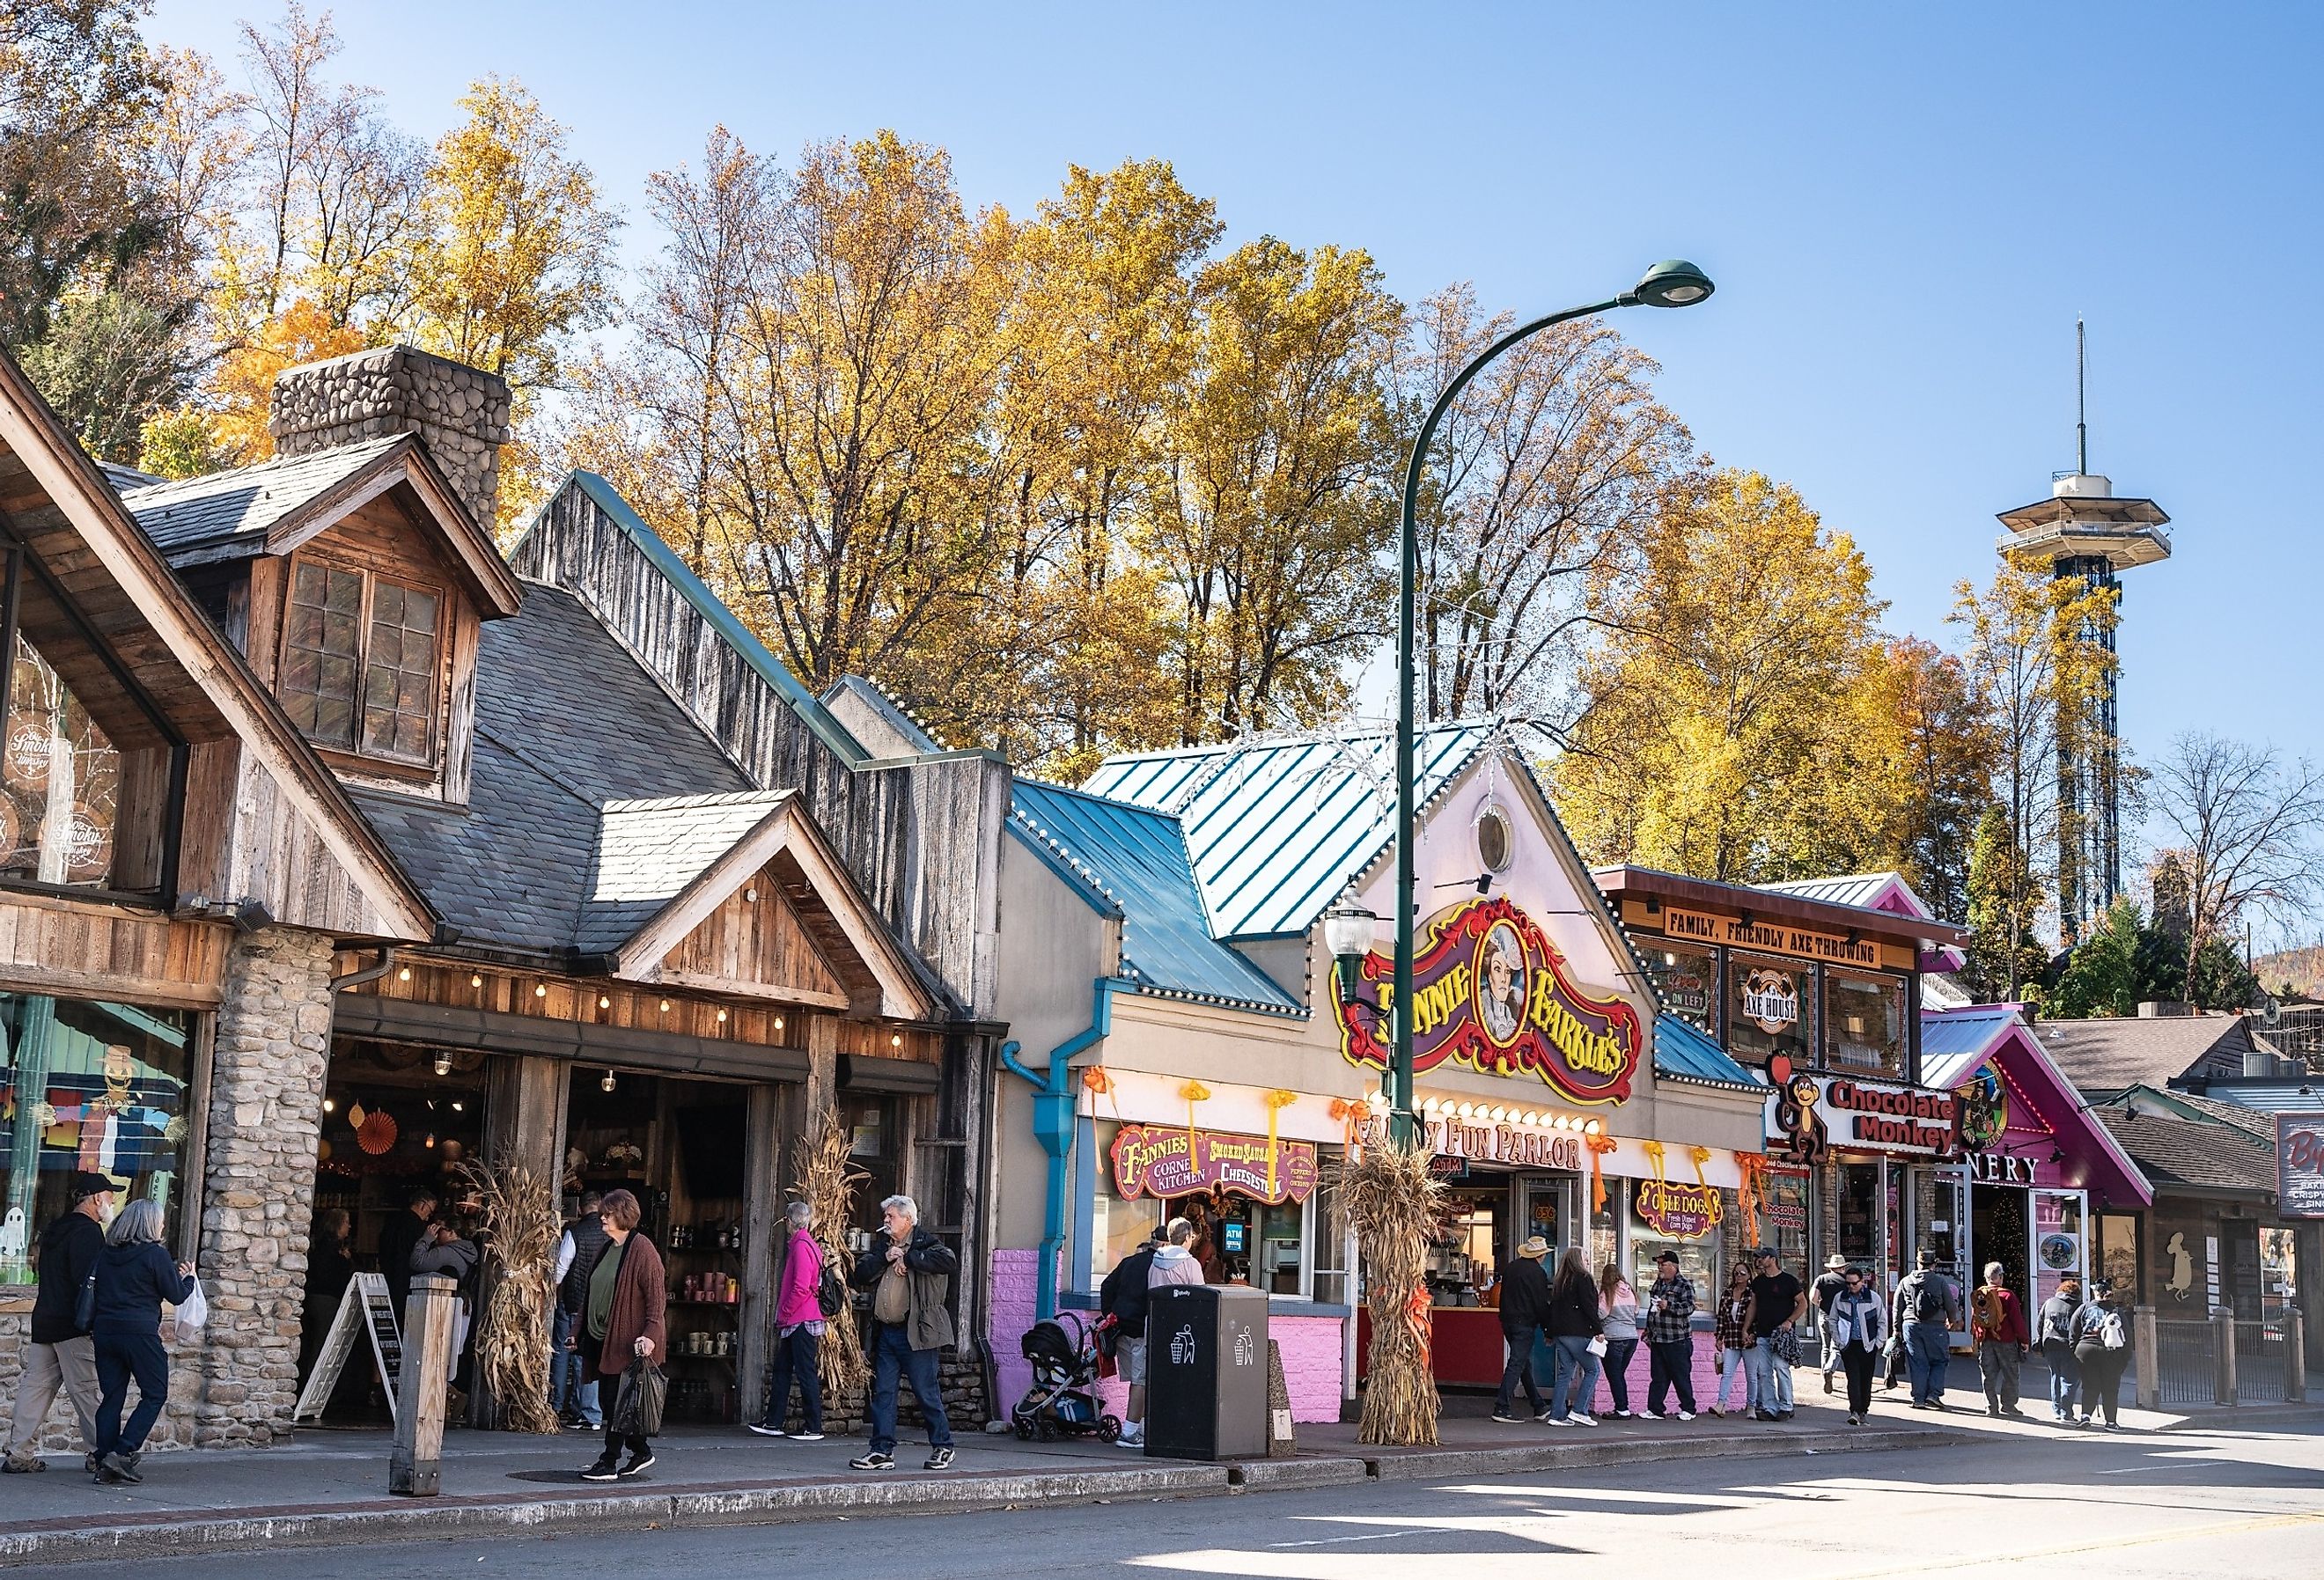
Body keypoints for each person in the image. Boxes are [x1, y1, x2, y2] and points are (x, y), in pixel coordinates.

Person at [3, 1172, 113, 1473]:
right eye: (109, 1196)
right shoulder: (89, 1233)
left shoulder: (54, 1228)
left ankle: (18, 1453)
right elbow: (88, 1282)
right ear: (95, 1198)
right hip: (73, 1325)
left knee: (34, 1389)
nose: (111, 1202)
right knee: (87, 1392)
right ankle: (101, 1454)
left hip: (45, 1319)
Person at [849, 1194, 959, 1473]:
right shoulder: (884, 1246)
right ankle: (881, 1451)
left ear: (908, 1220)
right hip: (887, 1333)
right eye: (885, 1216)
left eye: (891, 1217)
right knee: (883, 1393)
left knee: (925, 1392)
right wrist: (886, 1258)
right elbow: (860, 1274)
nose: (886, 1221)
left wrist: (910, 1259)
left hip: (917, 1333)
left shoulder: (926, 1243)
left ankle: (943, 1446)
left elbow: (948, 1262)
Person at [87, 1199, 194, 1484]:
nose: (162, 1225)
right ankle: (122, 1453)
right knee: (155, 1392)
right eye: (159, 1220)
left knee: (112, 1397)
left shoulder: (107, 1253)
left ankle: (105, 1460)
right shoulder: (154, 1255)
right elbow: (176, 1296)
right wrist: (189, 1280)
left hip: (106, 1332)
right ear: (148, 1224)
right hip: (139, 1333)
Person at [579, 1188, 666, 1481]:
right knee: (610, 1402)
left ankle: (608, 1461)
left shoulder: (642, 1249)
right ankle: (641, 1451)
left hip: (629, 1342)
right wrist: (576, 1331)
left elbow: (657, 1299)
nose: (603, 1217)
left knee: (616, 1403)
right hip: (603, 1337)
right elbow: (591, 1291)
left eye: (609, 1213)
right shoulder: (607, 1248)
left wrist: (650, 1335)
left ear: (624, 1215)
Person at [749, 1202, 827, 1440]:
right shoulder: (808, 1244)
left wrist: (784, 1312)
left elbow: (801, 1286)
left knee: (804, 1371)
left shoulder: (801, 1246)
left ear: (788, 1221)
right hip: (801, 1317)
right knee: (783, 1369)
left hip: (800, 1318)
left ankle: (813, 1426)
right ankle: (773, 1421)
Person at [1098, 1226, 1164, 1446]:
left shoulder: (1130, 1262)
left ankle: (1144, 1430)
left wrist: (1110, 1314)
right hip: (1141, 1331)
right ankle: (1129, 1433)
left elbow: (1107, 1285)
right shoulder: (1161, 1267)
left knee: (1138, 1382)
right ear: (1165, 1245)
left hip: (1120, 1330)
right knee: (1142, 1382)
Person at [551, 1192, 607, 1430]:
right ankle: (590, 1414)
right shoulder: (610, 1234)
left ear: (582, 1209)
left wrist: (551, 1292)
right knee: (588, 1358)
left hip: (574, 1302)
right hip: (600, 1305)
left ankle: (555, 1406)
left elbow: (560, 1268)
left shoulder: (575, 1233)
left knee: (562, 1354)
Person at [1491, 1237, 1552, 1422]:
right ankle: (1502, 1407)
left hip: (1508, 1321)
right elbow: (1540, 1303)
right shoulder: (1538, 1273)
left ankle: (1538, 1405)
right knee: (1517, 1363)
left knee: (1522, 1363)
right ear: (1540, 1255)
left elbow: (1501, 1294)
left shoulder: (1511, 1268)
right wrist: (1547, 1328)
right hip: (1524, 1322)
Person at [1894, 1248, 1962, 1411]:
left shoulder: (1905, 1281)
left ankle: (1918, 1399)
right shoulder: (1939, 1282)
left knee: (1918, 1363)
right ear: (1934, 1264)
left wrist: (1896, 1329)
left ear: (1918, 1263)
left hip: (1910, 1325)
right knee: (1939, 1360)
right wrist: (1952, 1321)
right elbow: (1950, 1305)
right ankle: (1933, 1394)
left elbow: (1897, 1307)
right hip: (1935, 1326)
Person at [1542, 1247, 1604, 1427]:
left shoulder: (1560, 1280)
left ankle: (1557, 1414)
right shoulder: (1583, 1278)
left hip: (1560, 1333)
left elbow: (1552, 1308)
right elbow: (1589, 1307)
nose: (1588, 1261)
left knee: (1565, 1373)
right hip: (1578, 1331)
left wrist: (1549, 1333)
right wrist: (1598, 1329)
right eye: (1585, 1258)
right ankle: (1579, 1410)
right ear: (1578, 1260)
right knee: (1593, 1370)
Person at [1744, 1247, 1805, 1422]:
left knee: (1781, 1368)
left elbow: (1802, 1303)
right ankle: (1770, 1407)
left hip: (1781, 1333)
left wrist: (1790, 1321)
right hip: (1763, 1331)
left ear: (1773, 1259)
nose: (1760, 1261)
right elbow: (1753, 1306)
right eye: (1759, 1258)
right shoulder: (1759, 1282)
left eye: (1763, 1258)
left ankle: (1786, 1406)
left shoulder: (1788, 1281)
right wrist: (1746, 1329)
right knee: (1764, 1371)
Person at [2069, 1277, 2132, 1430]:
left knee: (2089, 1386)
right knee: (2110, 1388)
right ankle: (2110, 1422)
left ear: (2095, 1292)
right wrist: (2124, 1358)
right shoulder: (2117, 1312)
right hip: (2110, 1352)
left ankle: (2085, 1416)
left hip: (2085, 1350)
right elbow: (2127, 1337)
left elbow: (2073, 1331)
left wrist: (2075, 1351)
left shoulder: (2083, 1308)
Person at [1642, 1250, 1697, 1420]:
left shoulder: (1684, 1284)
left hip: (1677, 1339)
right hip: (1658, 1337)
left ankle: (1688, 1409)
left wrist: (1669, 1305)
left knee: (1680, 1376)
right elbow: (1653, 1309)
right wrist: (1648, 1330)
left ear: (1673, 1266)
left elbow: (1690, 1308)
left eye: (1663, 1264)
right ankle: (1655, 1409)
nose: (1659, 1267)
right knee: (1658, 1376)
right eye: (1658, 1264)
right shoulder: (1658, 1284)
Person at [1829, 1265, 1887, 1425]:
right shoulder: (1840, 1298)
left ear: (1862, 1282)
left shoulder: (1873, 1298)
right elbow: (1832, 1320)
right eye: (1848, 1283)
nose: (1851, 1287)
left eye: (1854, 1283)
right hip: (1849, 1344)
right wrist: (1838, 1341)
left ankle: (1863, 1411)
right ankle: (1854, 1410)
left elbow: (1882, 1321)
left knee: (1866, 1379)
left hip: (1868, 1345)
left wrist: (1878, 1342)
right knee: (1853, 1378)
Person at [1971, 1261, 2029, 1417]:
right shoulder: (2008, 1295)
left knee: (1988, 1375)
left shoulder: (1980, 1294)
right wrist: (2024, 1340)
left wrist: (1977, 1338)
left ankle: (1991, 1406)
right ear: (2001, 1277)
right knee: (2010, 1373)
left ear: (1986, 1277)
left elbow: (1975, 1318)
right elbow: (2017, 1320)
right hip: (2006, 1340)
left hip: (1986, 1341)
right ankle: (2008, 1405)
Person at [300, 1207, 353, 1378]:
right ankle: (316, 1379)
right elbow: (328, 1275)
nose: (349, 1226)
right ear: (337, 1225)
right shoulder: (330, 1249)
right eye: (346, 1222)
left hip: (320, 1296)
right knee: (324, 1340)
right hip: (326, 1298)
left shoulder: (324, 1245)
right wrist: (344, 1261)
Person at [378, 1183, 436, 1321]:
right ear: (423, 1205)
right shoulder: (420, 1229)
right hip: (408, 1285)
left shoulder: (391, 1220)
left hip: (386, 1280)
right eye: (430, 1211)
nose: (428, 1217)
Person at [1709, 1262, 1754, 1418]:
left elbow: (1756, 1317)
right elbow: (1722, 1317)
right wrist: (1719, 1337)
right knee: (1727, 1372)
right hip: (1732, 1338)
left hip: (1748, 1340)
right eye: (1736, 1273)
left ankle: (1751, 1407)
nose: (1738, 1276)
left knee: (1751, 1375)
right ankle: (1721, 1404)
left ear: (1749, 1275)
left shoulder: (1752, 1293)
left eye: (1742, 1273)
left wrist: (1752, 1334)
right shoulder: (1727, 1293)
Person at [2037, 1275, 2085, 1423]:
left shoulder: (2049, 1303)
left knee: (2055, 1377)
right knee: (2069, 1380)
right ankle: (2066, 1413)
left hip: (2050, 1345)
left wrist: (2041, 1341)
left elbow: (2040, 1324)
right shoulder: (2079, 1306)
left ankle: (2057, 1410)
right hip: (2069, 1347)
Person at [1598, 1263, 1642, 1419]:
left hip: (1614, 1338)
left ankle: (1622, 1410)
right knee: (1619, 1375)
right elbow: (1636, 1311)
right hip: (1631, 1338)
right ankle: (1622, 1407)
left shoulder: (1607, 1293)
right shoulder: (1630, 1291)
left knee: (1615, 1376)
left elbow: (1601, 1314)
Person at [1812, 1253, 1850, 1396]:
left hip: (1823, 1315)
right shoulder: (1846, 1281)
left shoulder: (1821, 1279)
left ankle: (1824, 1376)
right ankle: (1830, 1369)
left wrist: (1820, 1303)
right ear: (1843, 1267)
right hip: (1839, 1317)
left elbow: (1813, 1297)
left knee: (1825, 1347)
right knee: (1837, 1347)